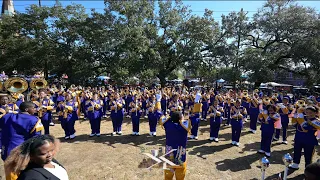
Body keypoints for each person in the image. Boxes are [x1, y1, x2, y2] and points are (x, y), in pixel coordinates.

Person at [4, 135, 69, 180]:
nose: (50, 154)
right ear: (31, 156)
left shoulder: (50, 161)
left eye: (51, 150)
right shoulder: (31, 176)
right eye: (43, 153)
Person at [160, 111, 190, 180]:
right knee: (180, 177)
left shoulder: (168, 124)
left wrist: (171, 117)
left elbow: (162, 118)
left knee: (168, 177)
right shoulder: (184, 126)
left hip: (169, 156)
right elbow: (188, 122)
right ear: (180, 119)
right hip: (181, 157)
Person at [289, 105, 320, 170]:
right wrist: (295, 116)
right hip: (298, 138)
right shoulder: (302, 117)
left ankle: (308, 168)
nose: (308, 114)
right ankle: (295, 164)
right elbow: (294, 124)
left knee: (308, 154)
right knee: (297, 151)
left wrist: (300, 118)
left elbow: (305, 129)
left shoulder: (316, 121)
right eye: (307, 112)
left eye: (311, 112)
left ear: (315, 113)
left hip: (309, 140)